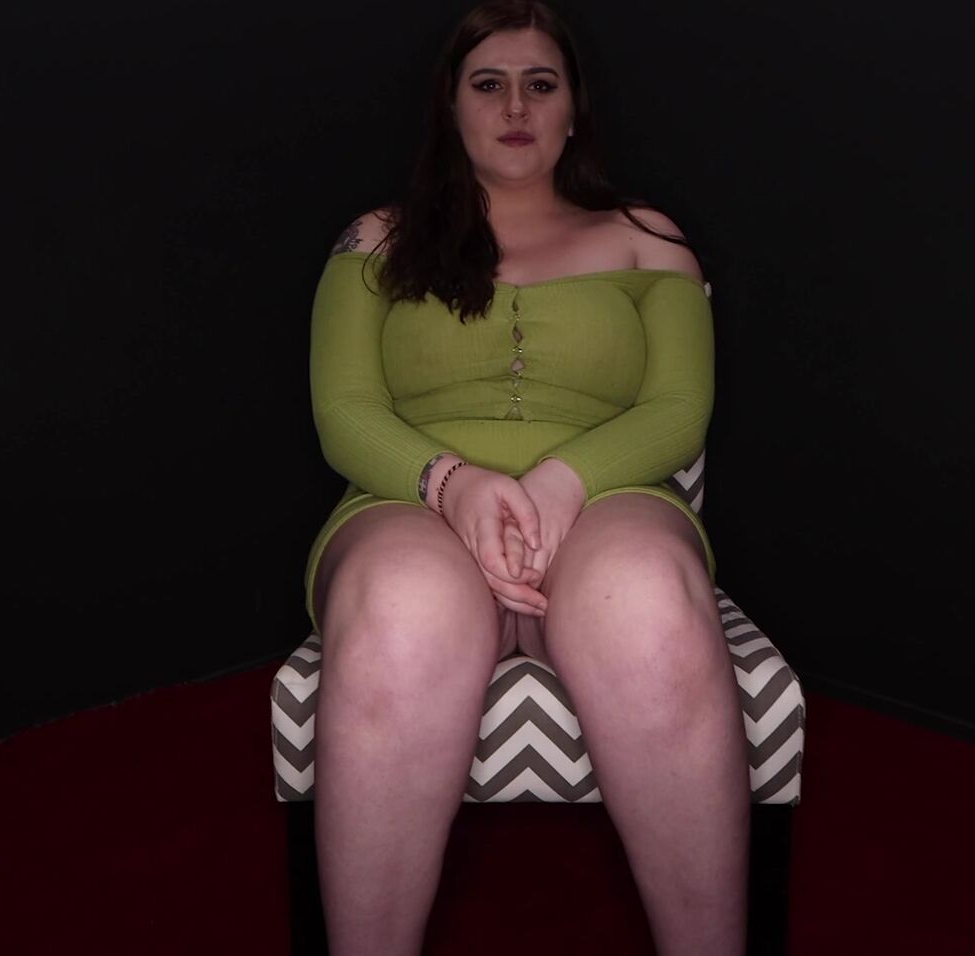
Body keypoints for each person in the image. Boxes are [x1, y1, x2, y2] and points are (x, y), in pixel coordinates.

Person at [301, 2, 749, 953]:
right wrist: (452, 484)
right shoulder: (375, 238)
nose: (515, 106)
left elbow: (679, 410)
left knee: (648, 602)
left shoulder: (648, 237)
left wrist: (563, 481)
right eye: (489, 84)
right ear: (451, 106)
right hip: (408, 504)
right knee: (401, 607)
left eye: (540, 84)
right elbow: (343, 413)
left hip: (610, 502)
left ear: (574, 108)